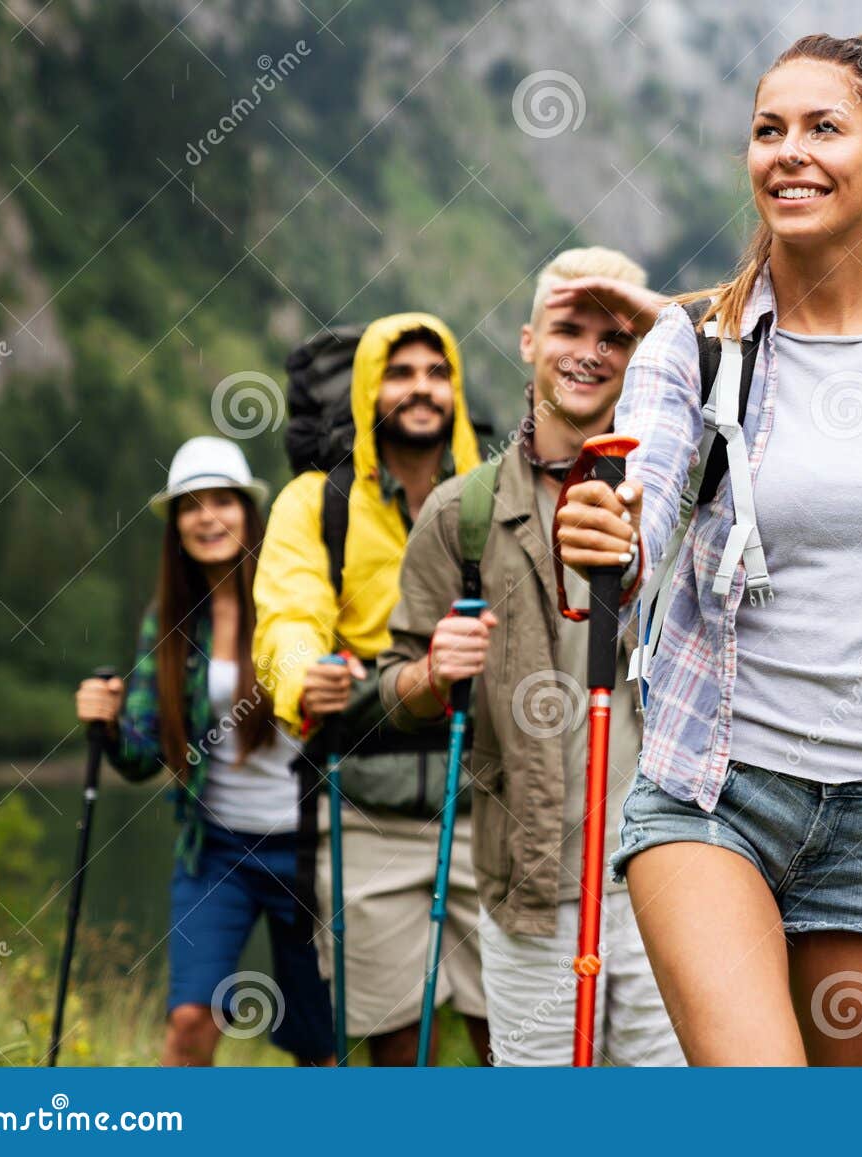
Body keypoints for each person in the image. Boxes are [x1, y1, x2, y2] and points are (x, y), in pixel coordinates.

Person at [555, 33, 862, 1066]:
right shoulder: (690, 346)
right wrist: (601, 536)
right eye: (766, 129)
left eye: (822, 127)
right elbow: (636, 525)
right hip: (713, 793)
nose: (787, 151)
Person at [379, 247, 683, 1066]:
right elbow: (390, 692)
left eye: (616, 336)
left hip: (679, 883)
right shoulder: (462, 514)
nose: (589, 350)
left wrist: (666, 327)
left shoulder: (691, 498)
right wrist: (431, 671)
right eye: (567, 327)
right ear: (525, 340)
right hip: (534, 894)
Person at [252, 313, 490, 1065]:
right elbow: (288, 616)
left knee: (512, 1036)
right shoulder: (315, 505)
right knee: (394, 1039)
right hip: (364, 810)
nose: (422, 389)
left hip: (493, 800)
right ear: (366, 390)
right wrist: (302, 676)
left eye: (437, 372)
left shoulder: (492, 492)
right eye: (401, 372)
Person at [74, 435, 333, 1067]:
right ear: (177, 525)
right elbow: (139, 758)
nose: (208, 517)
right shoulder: (169, 619)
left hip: (312, 850)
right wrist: (107, 723)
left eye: (223, 502)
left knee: (322, 1046)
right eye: (191, 506)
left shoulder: (294, 597)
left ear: (249, 512)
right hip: (216, 850)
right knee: (190, 1021)